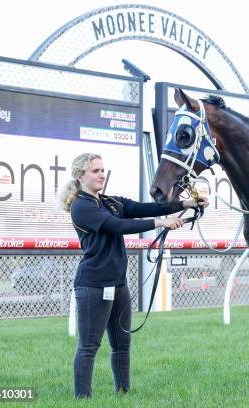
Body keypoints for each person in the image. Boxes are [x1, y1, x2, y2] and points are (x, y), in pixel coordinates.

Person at [59, 153, 207, 399]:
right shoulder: (82, 206)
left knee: (122, 345)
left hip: (118, 284)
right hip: (93, 286)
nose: (101, 174)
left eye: (102, 170)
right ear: (79, 176)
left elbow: (143, 208)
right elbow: (117, 226)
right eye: (95, 171)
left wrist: (184, 205)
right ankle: (82, 399)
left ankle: (123, 395)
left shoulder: (110, 202)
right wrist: (161, 223)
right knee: (88, 347)